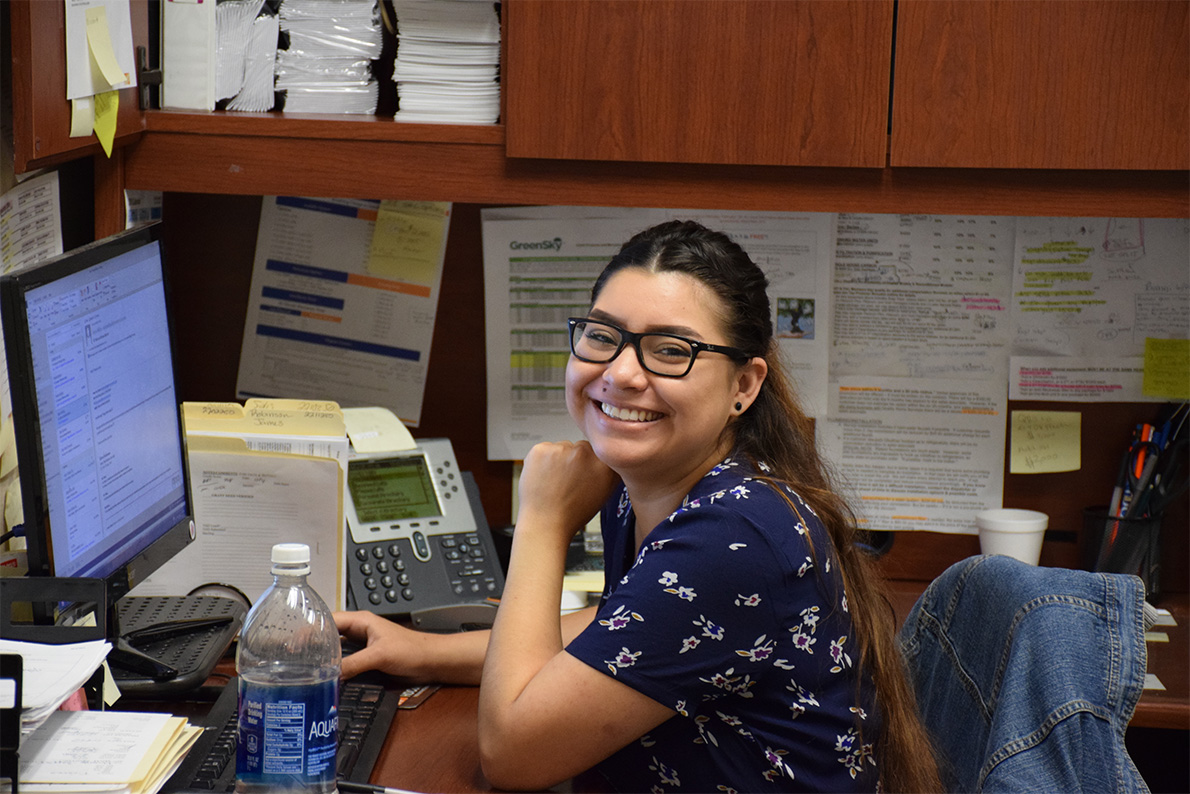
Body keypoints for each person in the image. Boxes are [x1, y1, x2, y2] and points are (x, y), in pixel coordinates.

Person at [335, 220, 941, 792]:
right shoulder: (657, 484)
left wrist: (543, 519)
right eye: (603, 337)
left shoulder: (733, 538)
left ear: (743, 385)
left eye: (671, 350)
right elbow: (624, 628)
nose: (622, 373)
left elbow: (512, 753)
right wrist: (423, 652)